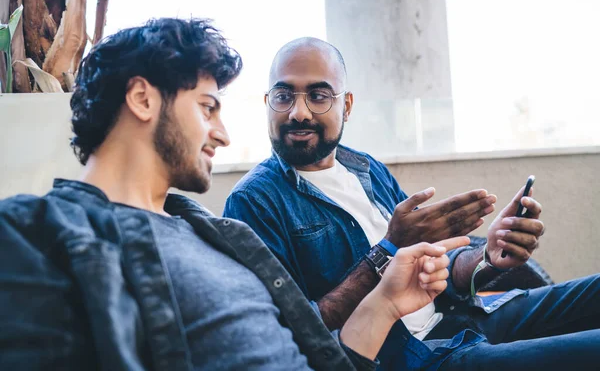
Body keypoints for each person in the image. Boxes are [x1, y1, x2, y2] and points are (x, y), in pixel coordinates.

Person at [0, 19, 469, 371]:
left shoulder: (220, 237)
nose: (222, 135)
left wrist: (385, 301)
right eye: (207, 108)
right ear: (142, 99)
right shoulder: (31, 231)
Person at [223, 37, 600, 370]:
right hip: (413, 356)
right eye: (284, 95)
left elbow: (434, 266)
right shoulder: (254, 201)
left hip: (468, 317)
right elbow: (286, 332)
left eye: (318, 96)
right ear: (268, 102)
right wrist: (386, 252)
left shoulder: (366, 169)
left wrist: (487, 257)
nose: (298, 111)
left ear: (347, 106)